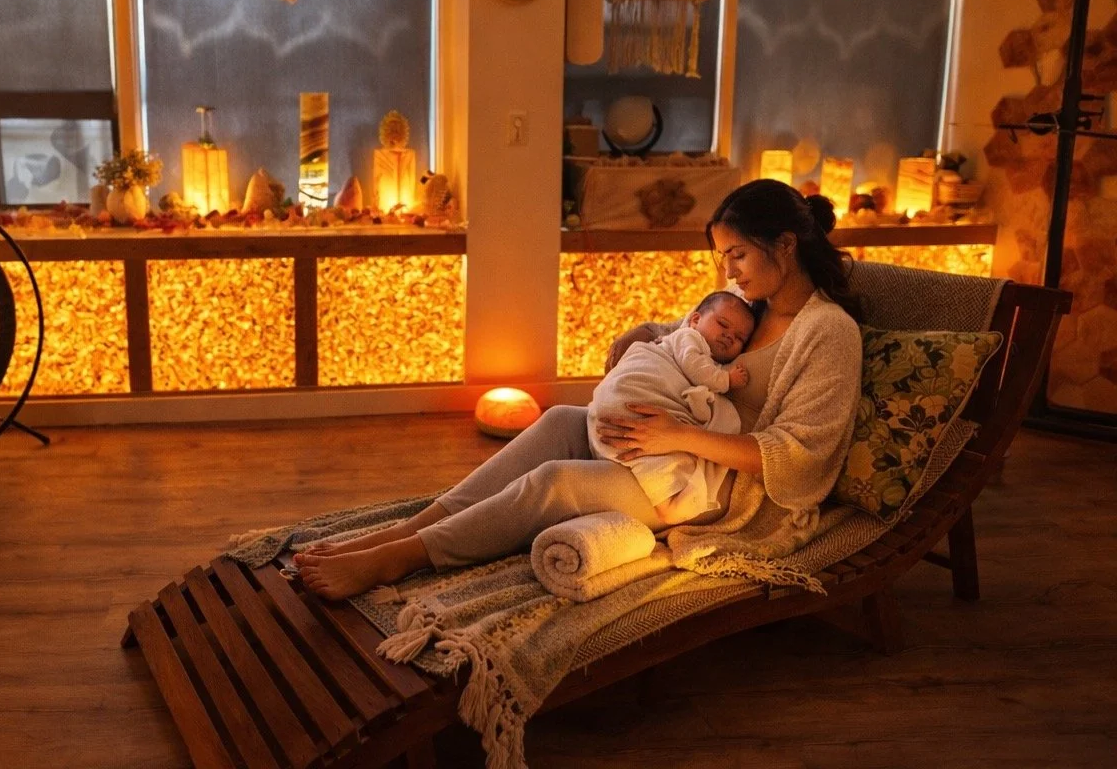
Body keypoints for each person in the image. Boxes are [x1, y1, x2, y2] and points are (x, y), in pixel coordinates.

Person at [296, 180, 864, 601]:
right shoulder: (752, 305)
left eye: (737, 255)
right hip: (668, 446)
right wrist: (638, 336)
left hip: (713, 489)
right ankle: (411, 527)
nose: (729, 272)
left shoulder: (827, 332)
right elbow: (687, 334)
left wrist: (680, 437)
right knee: (562, 419)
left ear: (785, 245)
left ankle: (398, 558)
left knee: (554, 481)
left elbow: (799, 457)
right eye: (724, 258)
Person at [588, 290, 755, 524]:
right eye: (722, 325)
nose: (729, 336)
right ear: (695, 320)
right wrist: (727, 379)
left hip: (646, 414)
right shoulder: (689, 339)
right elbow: (696, 369)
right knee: (655, 457)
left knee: (655, 456)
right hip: (636, 392)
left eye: (739, 338)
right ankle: (667, 502)